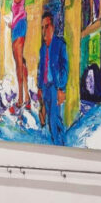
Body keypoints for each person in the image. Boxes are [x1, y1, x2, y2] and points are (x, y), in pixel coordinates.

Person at [37, 12, 68, 146]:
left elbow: (64, 67)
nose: (44, 31)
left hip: (55, 87)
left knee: (55, 119)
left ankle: (60, 145)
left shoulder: (60, 44)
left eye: (47, 26)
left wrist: (61, 88)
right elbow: (41, 69)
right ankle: (57, 144)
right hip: (45, 88)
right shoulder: (42, 49)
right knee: (49, 120)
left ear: (53, 27)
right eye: (42, 28)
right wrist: (39, 88)